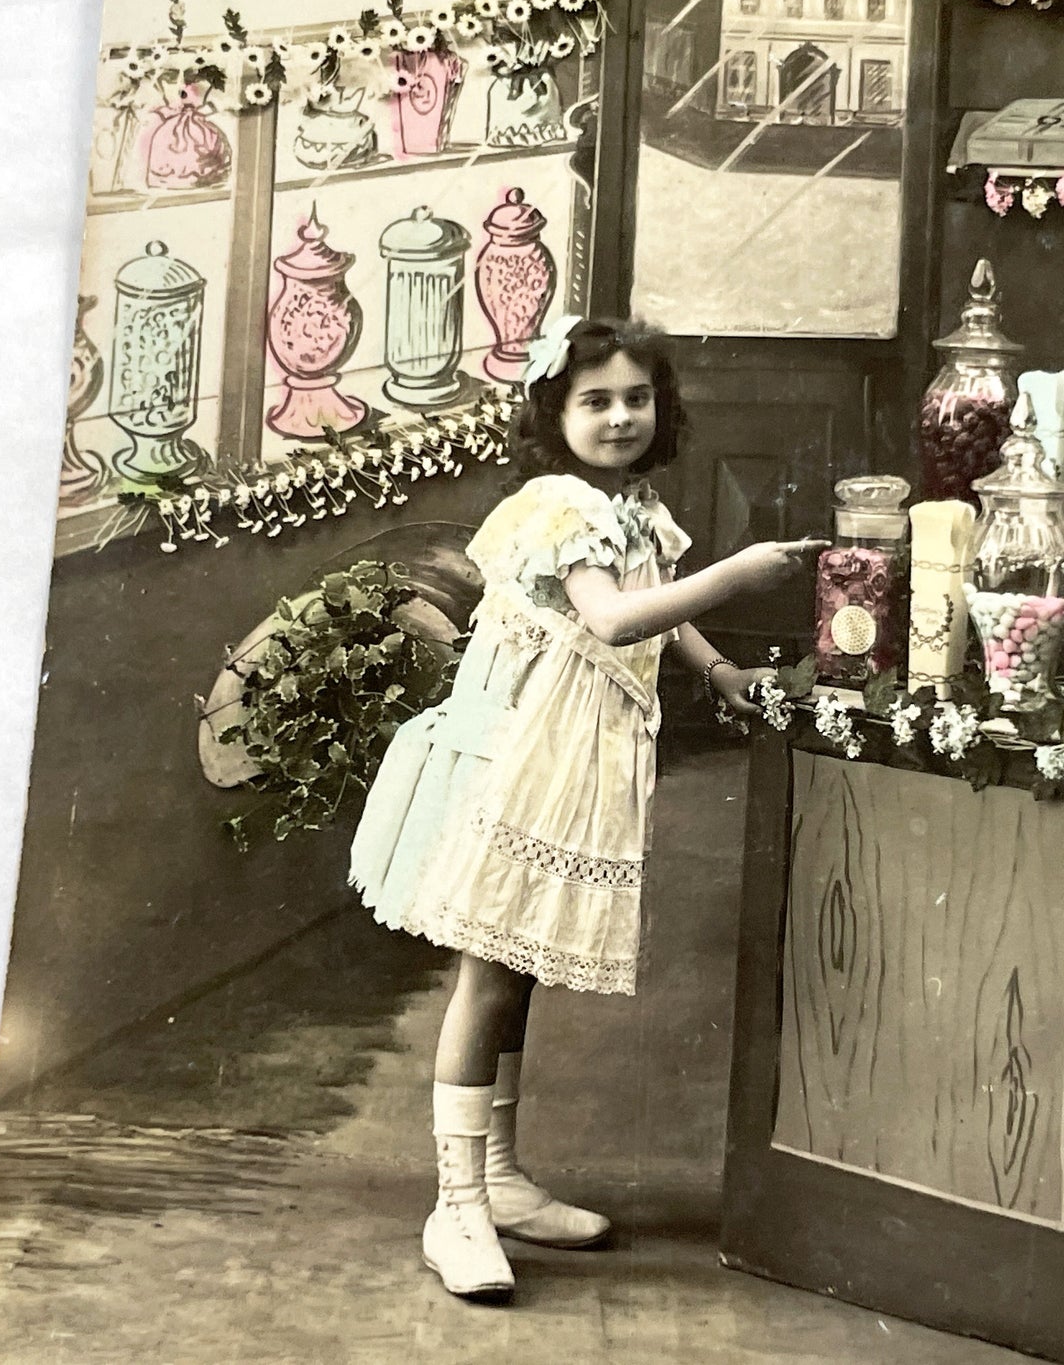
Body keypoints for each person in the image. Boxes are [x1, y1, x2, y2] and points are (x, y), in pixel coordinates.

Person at [347, 314, 823, 1303]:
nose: (618, 417)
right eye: (594, 400)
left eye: (636, 398)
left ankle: (498, 1176)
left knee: (520, 965)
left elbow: (658, 605)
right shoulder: (556, 505)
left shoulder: (629, 506)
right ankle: (454, 1204)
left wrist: (718, 668)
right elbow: (610, 617)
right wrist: (737, 575)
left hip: (575, 756)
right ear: (552, 415)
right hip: (521, 755)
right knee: (489, 970)